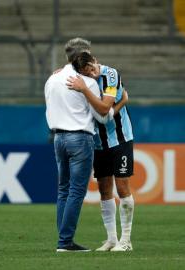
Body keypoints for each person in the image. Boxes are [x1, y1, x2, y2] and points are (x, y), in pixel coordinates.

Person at [44, 38, 113, 252]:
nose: (92, 60)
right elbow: (102, 117)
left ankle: (64, 239)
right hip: (80, 139)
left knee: (63, 190)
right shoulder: (87, 84)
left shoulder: (52, 79)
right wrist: (115, 106)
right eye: (89, 56)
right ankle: (65, 242)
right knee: (76, 191)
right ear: (80, 58)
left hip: (58, 138)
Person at [67, 51, 135, 252]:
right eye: (87, 73)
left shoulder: (110, 75)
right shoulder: (82, 79)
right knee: (104, 189)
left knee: (122, 187)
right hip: (98, 142)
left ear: (96, 61)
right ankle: (112, 239)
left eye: (93, 69)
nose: (93, 75)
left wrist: (85, 90)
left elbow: (105, 110)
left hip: (120, 139)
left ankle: (126, 241)